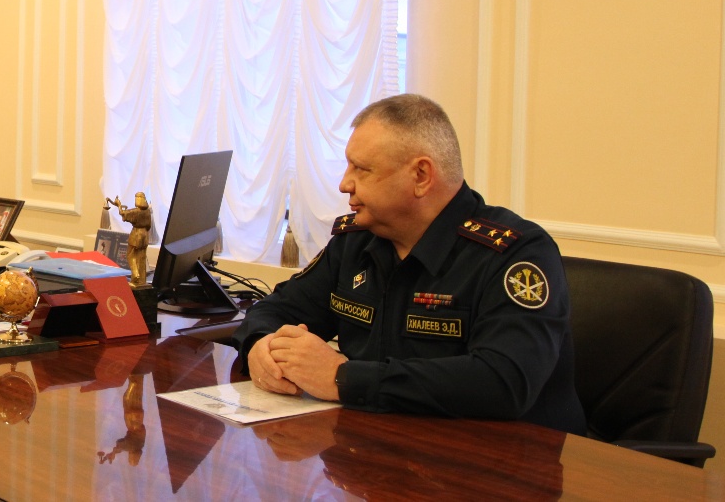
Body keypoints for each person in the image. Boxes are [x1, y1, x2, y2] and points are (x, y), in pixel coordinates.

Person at [229, 94, 586, 433]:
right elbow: (277, 309)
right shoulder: (356, 241)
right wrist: (262, 345)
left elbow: (504, 382)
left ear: (421, 176)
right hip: (379, 445)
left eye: (361, 169)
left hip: (500, 459)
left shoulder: (515, 253)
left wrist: (344, 378)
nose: (344, 184)